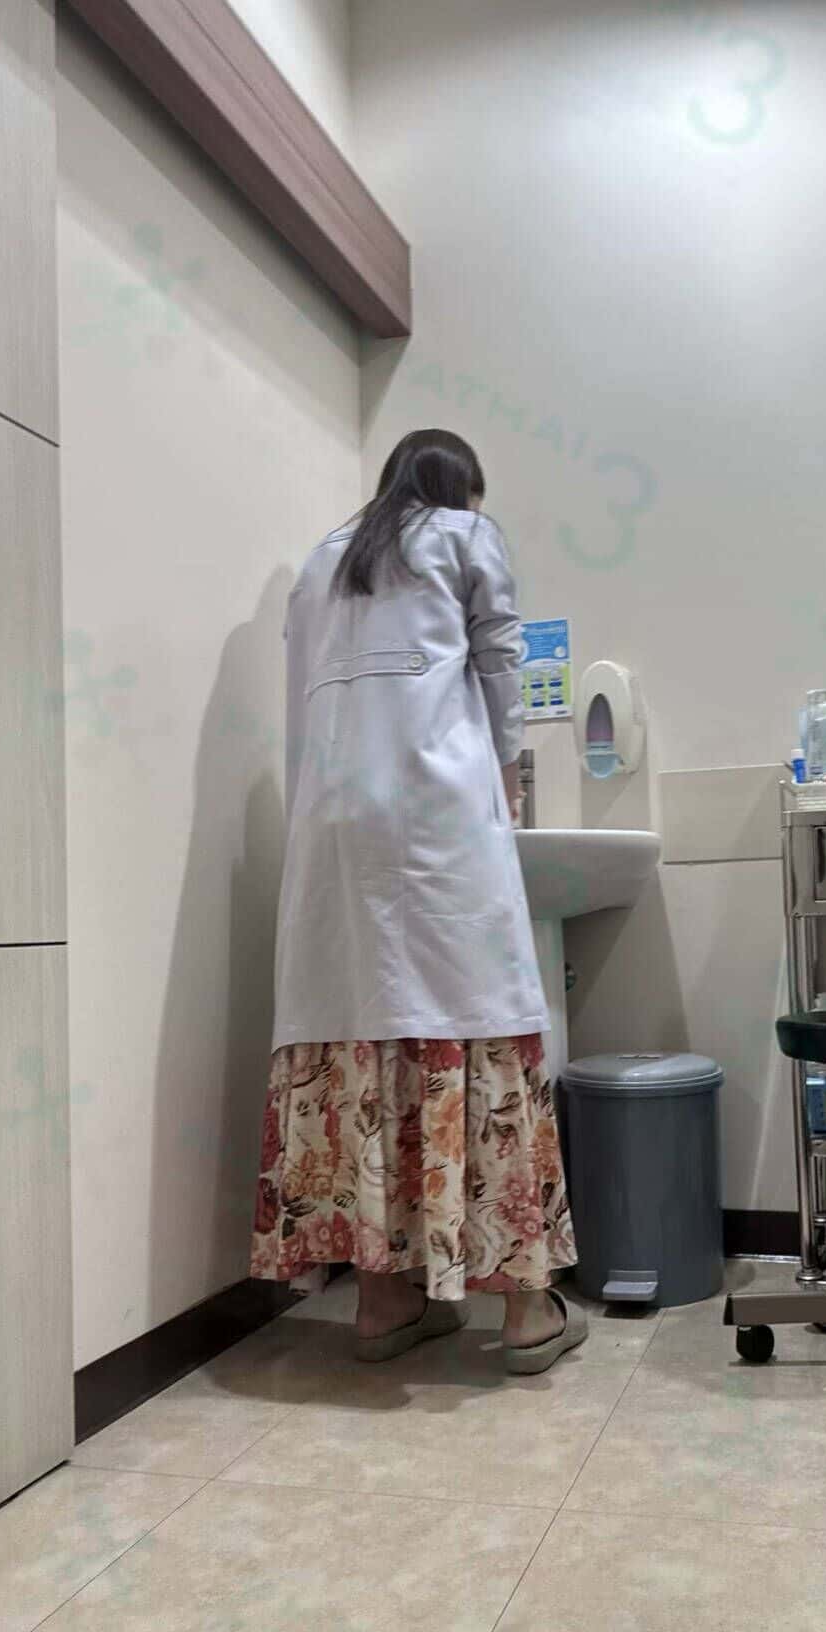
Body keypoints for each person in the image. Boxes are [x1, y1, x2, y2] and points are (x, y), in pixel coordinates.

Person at [249, 427, 585, 1374]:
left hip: (331, 826)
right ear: (458, 487)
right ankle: (527, 1310)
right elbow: (503, 664)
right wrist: (509, 773)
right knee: (477, 1015)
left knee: (361, 1032)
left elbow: (301, 710)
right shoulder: (465, 535)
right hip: (436, 815)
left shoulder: (321, 563)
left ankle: (383, 1302)